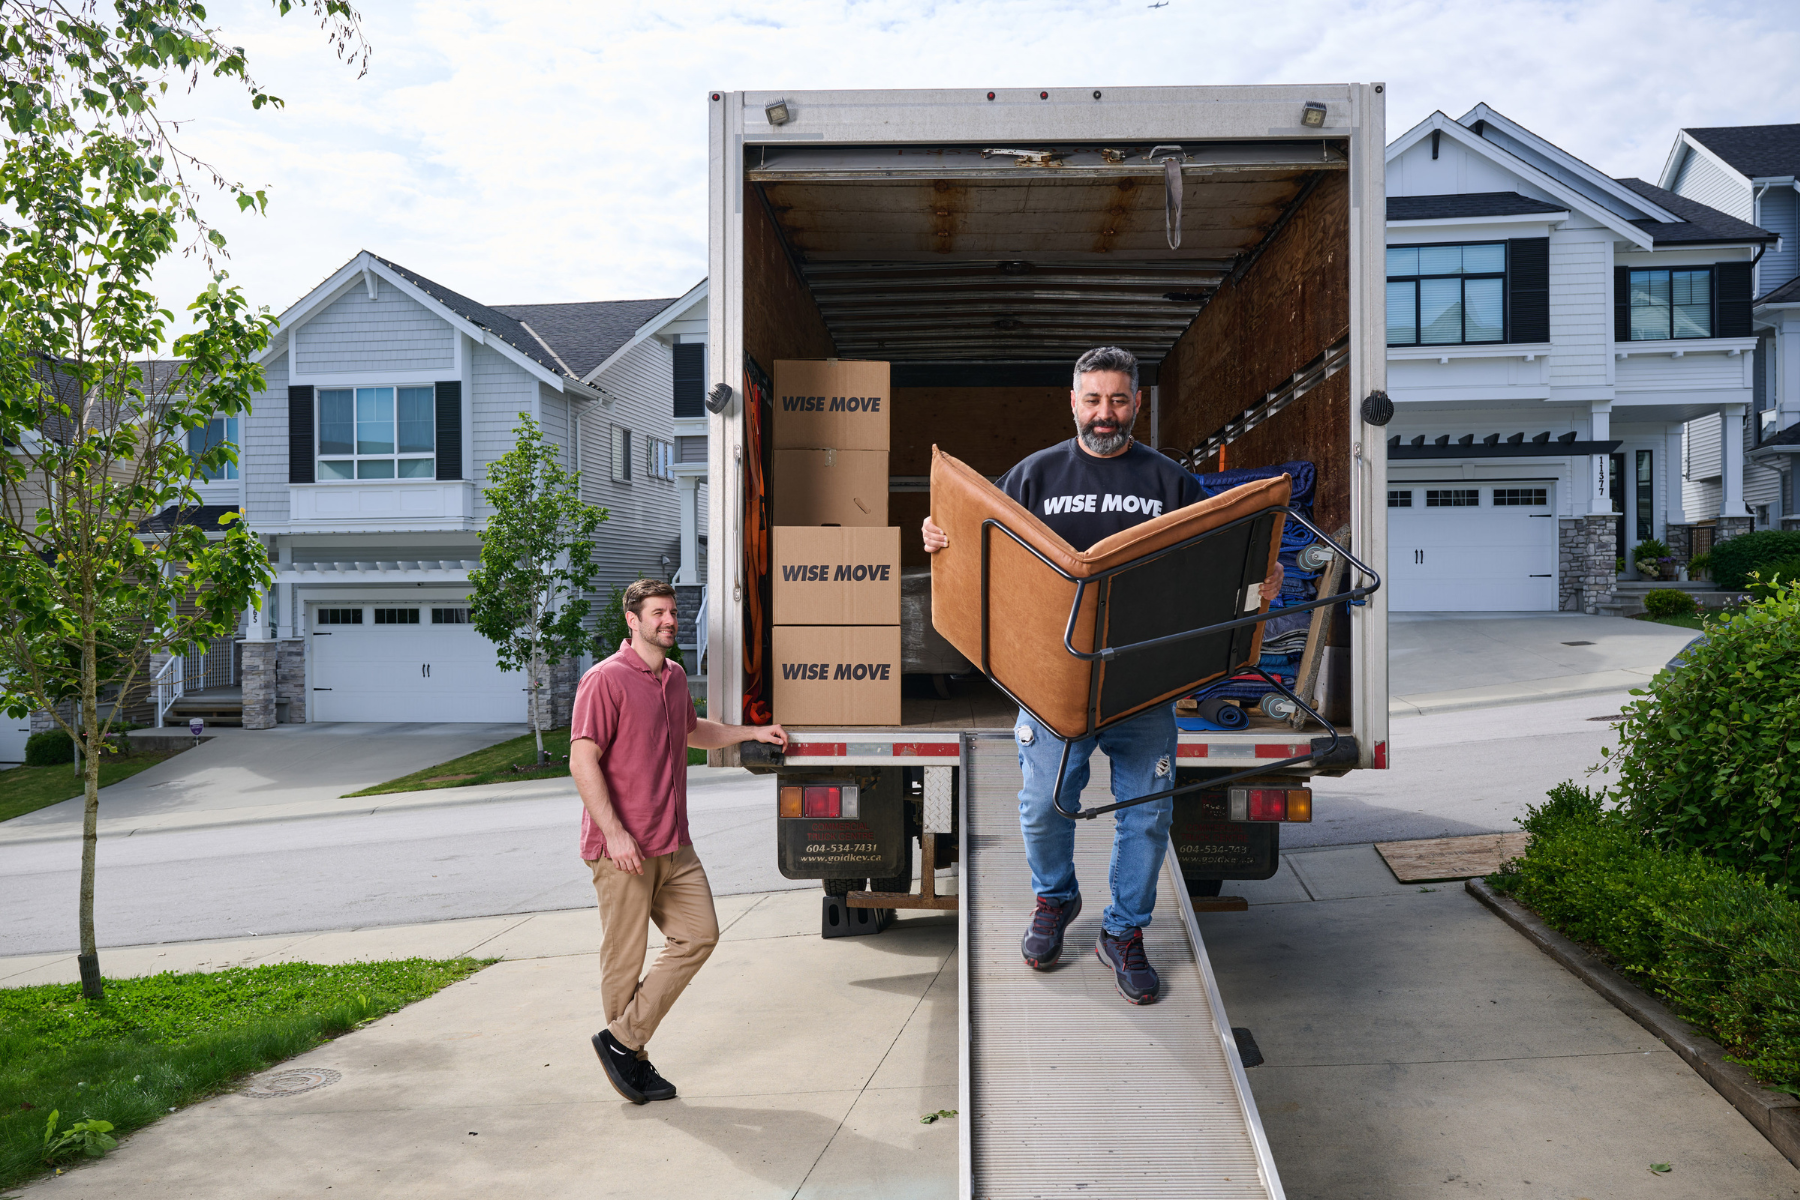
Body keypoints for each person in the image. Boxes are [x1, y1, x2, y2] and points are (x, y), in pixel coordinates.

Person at [921, 346, 1282, 1005]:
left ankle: (1123, 931)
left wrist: (1261, 575)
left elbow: (1217, 564)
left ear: (1137, 402)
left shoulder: (1172, 483)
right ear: (1073, 402)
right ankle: (1055, 899)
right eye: (1093, 399)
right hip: (1051, 684)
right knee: (1042, 805)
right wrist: (939, 538)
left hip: (1144, 683)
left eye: (1118, 399)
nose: (1105, 413)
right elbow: (978, 542)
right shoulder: (1033, 476)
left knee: (1146, 814)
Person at [571, 578, 787, 1103]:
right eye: (658, 613)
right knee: (624, 961)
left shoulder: (673, 677)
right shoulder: (604, 679)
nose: (669, 620)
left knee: (700, 935)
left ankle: (622, 1042)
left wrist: (749, 733)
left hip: (673, 843)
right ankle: (634, 1063)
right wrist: (615, 834)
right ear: (633, 620)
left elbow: (692, 730)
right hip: (623, 850)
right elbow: (582, 760)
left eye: (672, 611)